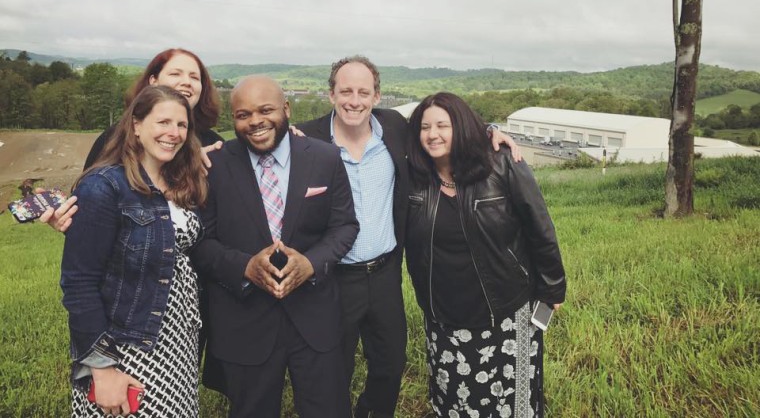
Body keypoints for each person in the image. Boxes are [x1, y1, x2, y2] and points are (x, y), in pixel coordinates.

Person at [298, 56, 524, 418]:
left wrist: (489, 129)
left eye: (363, 92)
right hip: (332, 279)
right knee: (333, 368)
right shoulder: (305, 137)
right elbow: (257, 139)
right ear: (331, 95)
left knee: (390, 363)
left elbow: (445, 125)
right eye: (345, 91)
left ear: (377, 96)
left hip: (385, 273)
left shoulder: (394, 127)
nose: (354, 100)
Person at [191, 75, 360, 418]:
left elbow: (344, 226)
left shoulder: (325, 158)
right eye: (243, 114)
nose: (255, 121)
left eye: (266, 109)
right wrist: (243, 268)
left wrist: (311, 264)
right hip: (245, 320)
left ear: (286, 109)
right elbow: (201, 242)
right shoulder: (214, 166)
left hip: (314, 319)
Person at [404, 92, 565, 418]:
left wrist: (553, 286)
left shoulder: (501, 164)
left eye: (442, 125)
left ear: (460, 127)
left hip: (505, 308)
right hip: (444, 315)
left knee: (513, 401)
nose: (432, 134)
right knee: (456, 399)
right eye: (425, 127)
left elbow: (539, 225)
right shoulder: (414, 176)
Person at [60, 85, 208, 416]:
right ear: (137, 125)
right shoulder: (104, 186)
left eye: (182, 125)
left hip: (177, 342)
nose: (174, 133)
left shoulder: (181, 183)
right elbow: (79, 283)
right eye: (163, 122)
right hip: (128, 348)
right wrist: (101, 367)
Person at [43, 47, 223, 230]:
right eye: (176, 74)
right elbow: (88, 216)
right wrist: (66, 220)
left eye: (194, 77)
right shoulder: (113, 139)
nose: (186, 82)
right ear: (153, 81)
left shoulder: (212, 144)